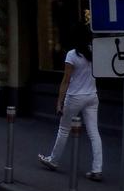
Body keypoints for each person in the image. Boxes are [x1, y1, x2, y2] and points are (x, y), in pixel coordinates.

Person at [38, 26, 103, 181]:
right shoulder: (95, 52)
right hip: (92, 96)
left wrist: (59, 102)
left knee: (64, 129)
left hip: (75, 97)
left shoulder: (72, 55)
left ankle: (53, 160)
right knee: (94, 133)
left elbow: (66, 81)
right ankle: (97, 169)